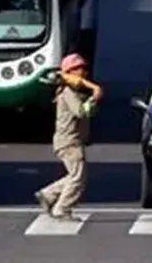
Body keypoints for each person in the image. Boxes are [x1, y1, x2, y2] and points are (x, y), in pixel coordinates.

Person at [35, 53, 102, 221]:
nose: (84, 72)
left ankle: (48, 195)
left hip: (70, 140)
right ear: (70, 72)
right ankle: (62, 208)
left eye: (85, 68)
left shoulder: (72, 91)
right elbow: (80, 112)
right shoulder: (68, 92)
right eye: (79, 69)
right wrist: (94, 97)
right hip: (69, 141)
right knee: (78, 177)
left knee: (76, 175)